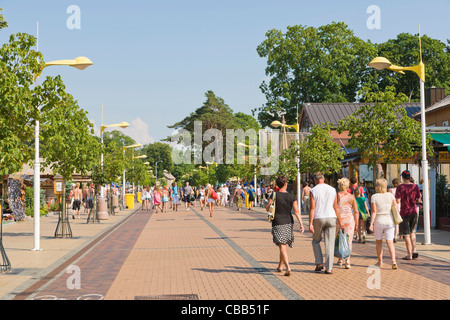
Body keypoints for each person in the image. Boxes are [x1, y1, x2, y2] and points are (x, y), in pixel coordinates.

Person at [266, 176, 304, 276]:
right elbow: (296, 211)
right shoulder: (292, 197)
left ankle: (287, 267)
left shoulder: (274, 195)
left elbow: (267, 208)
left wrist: (271, 205)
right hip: (288, 222)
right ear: (286, 184)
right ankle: (280, 266)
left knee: (282, 245)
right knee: (283, 245)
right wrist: (301, 224)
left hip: (278, 222)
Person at [309, 172, 343, 274]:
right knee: (329, 243)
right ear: (323, 179)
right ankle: (329, 268)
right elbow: (336, 207)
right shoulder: (332, 190)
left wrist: (310, 223)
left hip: (318, 218)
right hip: (331, 217)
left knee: (316, 241)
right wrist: (340, 222)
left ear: (315, 180)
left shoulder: (313, 190)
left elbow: (312, 208)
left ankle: (319, 262)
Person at [368, 179, 398, 269]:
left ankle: (380, 262)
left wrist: (371, 224)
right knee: (390, 242)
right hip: (389, 221)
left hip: (379, 221)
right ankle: (393, 261)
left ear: (377, 187)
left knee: (379, 242)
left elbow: (374, 211)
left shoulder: (374, 197)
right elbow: (395, 207)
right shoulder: (390, 195)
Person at [395, 171, 421, 260]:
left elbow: (398, 200)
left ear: (402, 177)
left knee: (406, 234)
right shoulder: (415, 186)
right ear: (409, 177)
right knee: (412, 232)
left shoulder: (400, 187)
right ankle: (414, 250)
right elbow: (419, 199)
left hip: (404, 212)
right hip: (414, 211)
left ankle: (409, 254)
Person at [336, 178, 359, 269]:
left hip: (339, 219)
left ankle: (340, 258)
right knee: (349, 241)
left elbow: (335, 208)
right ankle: (348, 261)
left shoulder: (337, 196)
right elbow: (356, 211)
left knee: (339, 239)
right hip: (349, 220)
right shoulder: (351, 197)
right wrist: (356, 224)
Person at [388, 178, 401, 242]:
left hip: (391, 206)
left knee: (391, 222)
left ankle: (392, 236)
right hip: (399, 206)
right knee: (397, 222)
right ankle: (395, 236)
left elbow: (388, 198)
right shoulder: (400, 190)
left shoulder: (390, 190)